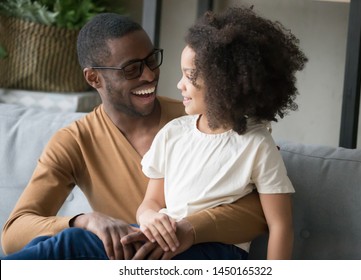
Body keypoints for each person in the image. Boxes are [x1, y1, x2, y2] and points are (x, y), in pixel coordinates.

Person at [1, 12, 266, 260]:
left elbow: (261, 211)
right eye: (132, 69)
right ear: (94, 78)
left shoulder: (201, 119)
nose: (150, 75)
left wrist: (189, 230)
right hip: (120, 260)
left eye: (152, 60)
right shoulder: (74, 141)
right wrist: (85, 221)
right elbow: (13, 234)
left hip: (193, 254)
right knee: (56, 244)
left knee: (68, 244)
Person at [136, 6, 307, 259]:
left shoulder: (256, 144)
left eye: (189, 75)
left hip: (218, 250)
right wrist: (148, 217)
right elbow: (150, 202)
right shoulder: (173, 133)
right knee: (80, 241)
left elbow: (280, 225)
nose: (179, 84)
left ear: (222, 84)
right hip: (168, 238)